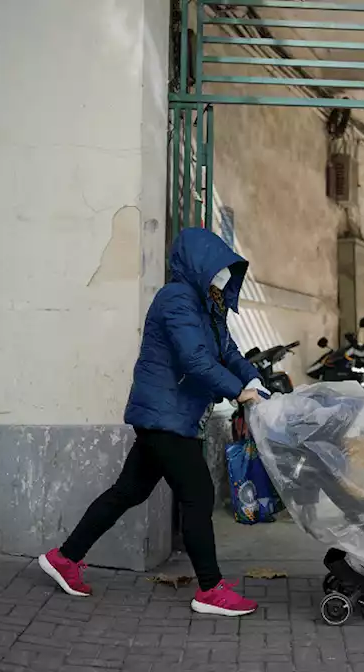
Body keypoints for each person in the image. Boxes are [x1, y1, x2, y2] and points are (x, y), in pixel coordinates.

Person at [39, 227, 266, 617]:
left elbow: (227, 351)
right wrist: (237, 391)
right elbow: (194, 359)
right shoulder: (176, 299)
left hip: (170, 416)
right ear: (199, 265)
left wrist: (252, 379)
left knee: (128, 491)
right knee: (198, 496)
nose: (223, 275)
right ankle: (210, 589)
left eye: (227, 268)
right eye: (218, 267)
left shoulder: (208, 305)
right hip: (167, 417)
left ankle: (65, 557)